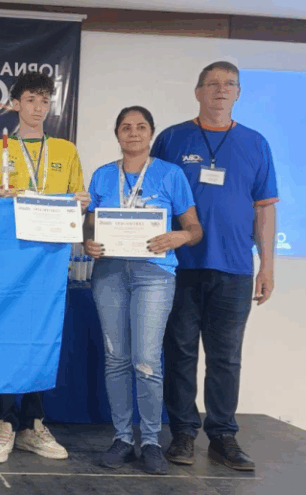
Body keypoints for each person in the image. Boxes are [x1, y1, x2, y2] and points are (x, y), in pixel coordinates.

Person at [152, 61, 278, 471]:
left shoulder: (256, 143)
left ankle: (223, 435)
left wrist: (267, 266)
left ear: (238, 93)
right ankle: (183, 433)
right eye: (213, 84)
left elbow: (264, 209)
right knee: (180, 352)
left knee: (226, 357)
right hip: (179, 267)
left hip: (235, 268)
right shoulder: (172, 138)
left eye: (229, 84)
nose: (221, 90)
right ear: (198, 91)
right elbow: (151, 199)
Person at [83, 106, 202, 475]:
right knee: (116, 359)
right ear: (117, 134)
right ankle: (122, 438)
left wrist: (179, 236)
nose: (133, 132)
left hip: (154, 274)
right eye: (125, 127)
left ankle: (150, 441)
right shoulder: (103, 175)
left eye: (140, 127)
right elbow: (89, 225)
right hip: (109, 273)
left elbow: (194, 228)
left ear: (151, 133)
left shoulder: (170, 174)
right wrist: (88, 242)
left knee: (146, 360)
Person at [0, 71, 89, 463]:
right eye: (30, 99)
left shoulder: (66, 150)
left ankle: (33, 424)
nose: (38, 108)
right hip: (9, 261)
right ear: (15, 104)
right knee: (5, 338)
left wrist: (81, 202)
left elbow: (78, 205)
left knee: (40, 339)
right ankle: (3, 422)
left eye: (44, 100)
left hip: (49, 263)